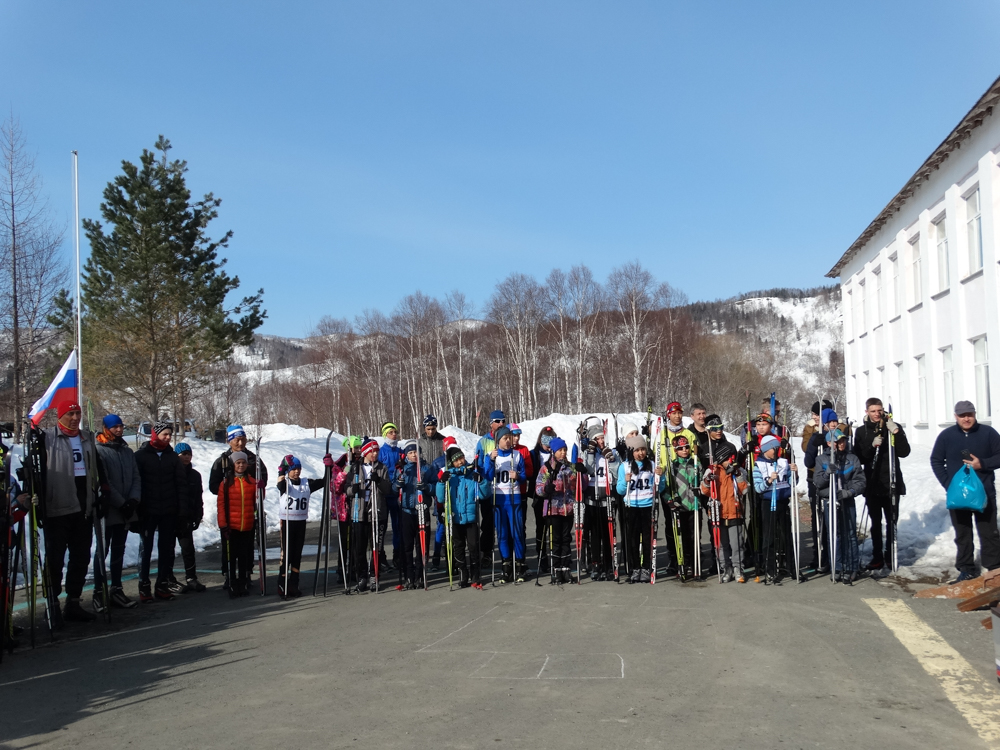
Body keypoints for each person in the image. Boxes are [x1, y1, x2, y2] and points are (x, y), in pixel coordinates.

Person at [39, 402, 106, 623]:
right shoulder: (48, 438)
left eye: (77, 413)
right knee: (55, 559)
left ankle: (74, 602)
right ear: (61, 416)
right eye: (71, 414)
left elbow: (98, 469)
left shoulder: (86, 438)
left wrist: (100, 496)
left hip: (83, 507)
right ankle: (53, 603)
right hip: (57, 507)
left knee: (80, 557)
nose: (75, 417)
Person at [930, 400, 1000, 583]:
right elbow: (936, 460)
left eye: (969, 414)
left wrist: (982, 464)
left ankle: (994, 569)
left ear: (975, 414)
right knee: (962, 533)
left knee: (989, 532)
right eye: (962, 415)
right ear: (956, 416)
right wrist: (949, 484)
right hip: (958, 495)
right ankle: (967, 569)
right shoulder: (946, 436)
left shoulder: (988, 433)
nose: (966, 418)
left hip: (984, 492)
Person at [852, 398, 911, 573]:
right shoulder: (862, 431)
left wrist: (897, 432)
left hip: (891, 482)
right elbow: (860, 458)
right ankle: (877, 556)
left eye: (880, 411)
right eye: (873, 411)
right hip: (873, 482)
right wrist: (871, 446)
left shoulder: (892, 427)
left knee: (892, 521)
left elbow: (904, 452)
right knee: (875, 522)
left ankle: (890, 554)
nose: (877, 414)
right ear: (867, 412)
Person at [134, 420, 188, 602]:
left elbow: (180, 484)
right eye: (165, 434)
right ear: (155, 434)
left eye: (170, 435)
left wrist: (181, 510)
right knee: (146, 548)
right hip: (148, 510)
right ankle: (144, 586)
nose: (168, 438)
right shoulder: (141, 456)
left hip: (168, 509)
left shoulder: (172, 457)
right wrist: (137, 509)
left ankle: (162, 584)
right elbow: (137, 483)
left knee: (167, 548)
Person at [209, 425, 268, 588]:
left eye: (243, 439)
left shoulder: (253, 458)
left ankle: (246, 574)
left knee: (247, 546)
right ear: (229, 441)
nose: (241, 442)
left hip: (248, 510)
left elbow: (263, 477)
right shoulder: (222, 460)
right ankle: (229, 574)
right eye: (237, 439)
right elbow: (213, 485)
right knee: (229, 546)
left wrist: (256, 486)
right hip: (231, 510)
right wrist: (228, 489)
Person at [93, 413, 141, 610]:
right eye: (115, 427)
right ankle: (98, 590)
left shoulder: (126, 451)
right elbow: (104, 482)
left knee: (119, 550)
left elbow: (136, 477)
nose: (119, 430)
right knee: (102, 550)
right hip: (109, 508)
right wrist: (121, 502)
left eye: (121, 426)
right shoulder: (99, 450)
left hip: (126, 509)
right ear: (106, 428)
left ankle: (116, 588)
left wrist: (132, 500)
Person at [814, 429, 866, 584]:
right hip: (830, 501)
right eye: (838, 441)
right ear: (830, 443)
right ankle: (836, 567)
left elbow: (860, 481)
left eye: (843, 440)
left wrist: (849, 492)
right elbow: (818, 484)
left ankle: (852, 567)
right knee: (834, 535)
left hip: (847, 500)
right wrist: (826, 474)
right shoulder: (821, 459)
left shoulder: (852, 459)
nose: (842, 444)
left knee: (849, 534)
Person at [803, 408, 849, 573]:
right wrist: (815, 445)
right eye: (830, 422)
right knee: (820, 522)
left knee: (839, 524)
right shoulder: (817, 437)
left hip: (839, 485)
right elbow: (808, 462)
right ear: (824, 423)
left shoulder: (841, 436)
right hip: (821, 485)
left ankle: (839, 558)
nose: (834, 425)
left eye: (835, 422)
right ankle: (821, 557)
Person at [536, 437, 586, 584]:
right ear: (554, 451)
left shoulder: (571, 467)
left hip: (568, 509)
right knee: (555, 540)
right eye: (560, 450)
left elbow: (581, 486)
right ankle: (556, 569)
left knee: (566, 539)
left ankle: (566, 568)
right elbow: (538, 488)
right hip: (554, 510)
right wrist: (546, 488)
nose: (563, 453)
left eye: (565, 450)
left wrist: (582, 473)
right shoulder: (547, 468)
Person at [346, 438, 393, 592]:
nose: (374, 454)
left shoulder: (382, 468)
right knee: (359, 547)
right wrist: (352, 490)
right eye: (372, 451)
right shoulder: (355, 468)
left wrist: (378, 480)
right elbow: (345, 488)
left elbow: (388, 490)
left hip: (377, 512)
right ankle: (361, 577)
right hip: (359, 512)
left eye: (376, 451)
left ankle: (374, 574)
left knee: (376, 547)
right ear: (365, 452)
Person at [616, 434, 664, 583]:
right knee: (633, 539)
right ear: (632, 451)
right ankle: (635, 567)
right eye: (637, 450)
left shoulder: (652, 465)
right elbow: (620, 490)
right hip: (632, 506)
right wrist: (625, 481)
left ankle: (646, 567)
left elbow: (660, 488)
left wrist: (660, 477)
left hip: (648, 505)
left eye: (643, 449)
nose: (640, 453)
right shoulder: (625, 466)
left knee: (648, 538)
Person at [276, 454, 325, 598]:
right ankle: (282, 583)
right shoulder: (286, 483)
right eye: (293, 469)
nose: (296, 472)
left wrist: (329, 468)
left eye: (298, 469)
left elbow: (323, 482)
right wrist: (281, 471)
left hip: (301, 522)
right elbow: (280, 486)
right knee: (287, 554)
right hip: (287, 522)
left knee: (297, 554)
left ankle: (294, 584)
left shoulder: (306, 483)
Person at [483, 426, 528, 583]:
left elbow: (524, 476)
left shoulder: (516, 455)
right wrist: (490, 460)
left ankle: (520, 565)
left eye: (510, 437)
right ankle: (506, 566)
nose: (508, 441)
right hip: (498, 499)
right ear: (498, 441)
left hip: (513, 498)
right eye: (505, 438)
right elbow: (487, 476)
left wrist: (518, 476)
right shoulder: (492, 455)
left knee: (517, 533)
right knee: (502, 534)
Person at [700, 442, 749, 582]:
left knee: (736, 544)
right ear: (722, 458)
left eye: (732, 458)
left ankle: (738, 568)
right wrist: (708, 481)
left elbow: (744, 490)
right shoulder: (712, 470)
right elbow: (704, 490)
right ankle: (725, 568)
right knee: (721, 545)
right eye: (728, 458)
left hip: (735, 512)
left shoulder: (739, 471)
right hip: (718, 514)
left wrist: (738, 475)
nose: (731, 461)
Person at [437, 444, 483, 589]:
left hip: (470, 517)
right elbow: (440, 498)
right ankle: (463, 572)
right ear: (451, 463)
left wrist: (481, 481)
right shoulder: (449, 477)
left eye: (461, 458)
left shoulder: (471, 473)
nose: (460, 462)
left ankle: (476, 573)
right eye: (457, 460)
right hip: (455, 517)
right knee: (458, 545)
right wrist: (441, 482)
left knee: (474, 545)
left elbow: (484, 493)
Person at [752, 435, 798, 583]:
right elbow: (758, 488)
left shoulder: (783, 461)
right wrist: (769, 480)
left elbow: (792, 483)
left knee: (786, 536)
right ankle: (770, 569)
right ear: (766, 449)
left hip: (783, 501)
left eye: (777, 448)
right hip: (768, 503)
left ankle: (791, 566)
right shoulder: (758, 465)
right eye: (773, 448)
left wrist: (795, 472)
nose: (776, 451)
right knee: (769, 536)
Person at [216, 451, 257, 597]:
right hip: (231, 526)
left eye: (243, 463)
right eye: (238, 463)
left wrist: (261, 487)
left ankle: (243, 581)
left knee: (244, 555)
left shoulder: (252, 482)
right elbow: (221, 505)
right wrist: (223, 524)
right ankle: (232, 582)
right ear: (234, 464)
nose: (241, 465)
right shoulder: (226, 483)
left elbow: (257, 501)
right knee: (231, 556)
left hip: (246, 525)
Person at [583, 423, 620, 580]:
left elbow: (617, 473)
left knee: (608, 532)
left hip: (607, 496)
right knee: (594, 533)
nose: (600, 441)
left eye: (602, 438)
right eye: (597, 438)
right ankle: (595, 563)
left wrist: (610, 459)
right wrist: (590, 452)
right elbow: (588, 470)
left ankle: (608, 563)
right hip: (592, 497)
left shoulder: (613, 452)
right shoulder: (588, 453)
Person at [393, 441, 431, 589]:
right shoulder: (402, 469)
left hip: (422, 509)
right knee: (407, 545)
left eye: (416, 452)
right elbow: (393, 489)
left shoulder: (426, 468)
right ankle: (409, 576)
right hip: (407, 510)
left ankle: (420, 575)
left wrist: (427, 487)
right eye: (410, 453)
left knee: (421, 545)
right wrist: (398, 485)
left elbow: (435, 486)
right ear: (406, 455)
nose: (414, 455)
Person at [666, 435, 700, 580]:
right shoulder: (673, 466)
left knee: (694, 537)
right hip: (681, 507)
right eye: (681, 448)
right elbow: (666, 488)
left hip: (694, 506)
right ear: (675, 450)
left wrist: (702, 489)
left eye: (686, 447)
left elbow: (702, 483)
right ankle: (683, 565)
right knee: (683, 538)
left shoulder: (695, 464)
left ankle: (695, 565)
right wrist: (670, 499)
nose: (685, 450)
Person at [475, 410, 506, 569]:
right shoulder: (483, 442)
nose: (501, 424)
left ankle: (507, 555)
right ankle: (486, 553)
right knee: (487, 523)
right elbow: (478, 464)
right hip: (488, 489)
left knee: (503, 523)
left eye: (503, 421)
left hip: (504, 488)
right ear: (491, 424)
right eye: (498, 421)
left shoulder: (507, 438)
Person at [174, 442, 206, 593]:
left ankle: (191, 577)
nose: (186, 457)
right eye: (183, 455)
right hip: (172, 515)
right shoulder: (172, 472)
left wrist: (198, 515)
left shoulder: (195, 475)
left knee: (188, 549)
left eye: (188, 454)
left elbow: (198, 497)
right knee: (168, 550)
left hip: (187, 517)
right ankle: (167, 578)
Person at [417, 415, 446, 568]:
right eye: (428, 429)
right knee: (425, 518)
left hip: (440, 481)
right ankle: (425, 551)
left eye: (433, 428)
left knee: (441, 518)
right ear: (424, 429)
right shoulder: (419, 442)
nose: (431, 431)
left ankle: (440, 548)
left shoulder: (442, 440)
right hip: (426, 482)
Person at [377, 421, 403, 571]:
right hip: (385, 494)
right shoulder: (381, 451)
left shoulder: (400, 450)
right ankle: (380, 556)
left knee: (398, 525)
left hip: (397, 493)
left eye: (395, 432)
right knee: (382, 526)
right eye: (391, 432)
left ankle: (397, 554)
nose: (394, 434)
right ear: (385, 434)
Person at [530, 426, 556, 568]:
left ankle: (555, 554)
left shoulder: (555, 455)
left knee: (553, 525)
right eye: (546, 444)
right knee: (541, 527)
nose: (548, 447)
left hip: (554, 495)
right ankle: (542, 554)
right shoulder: (534, 454)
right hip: (540, 495)